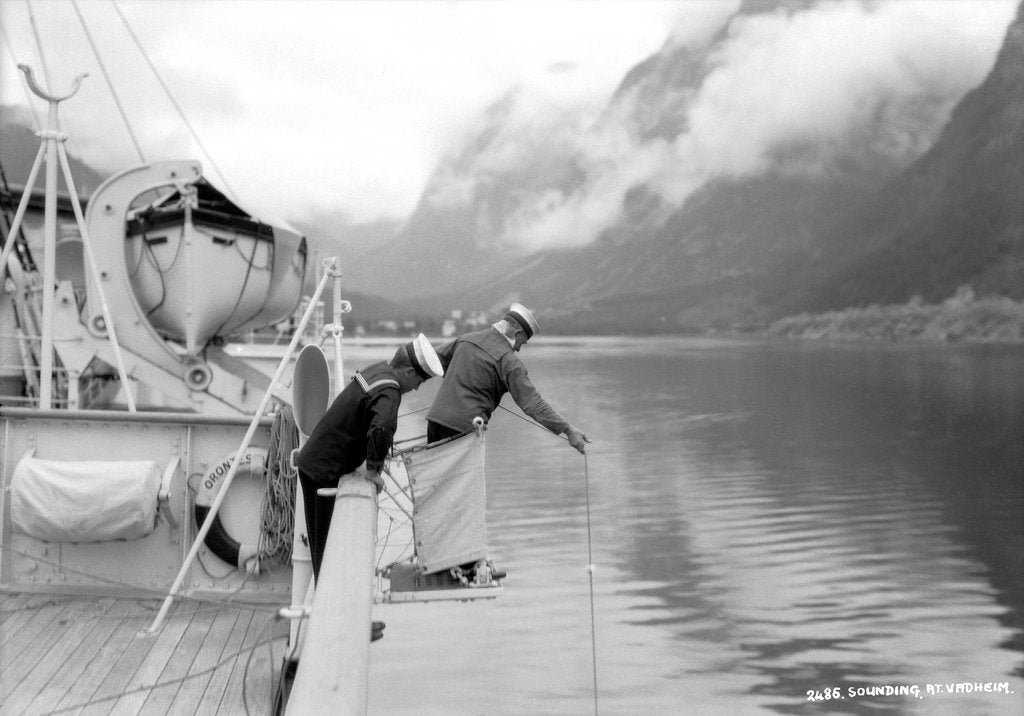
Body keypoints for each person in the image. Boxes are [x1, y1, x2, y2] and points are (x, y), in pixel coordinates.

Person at [296, 333, 444, 583]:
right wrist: (374, 470)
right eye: (419, 380)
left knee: (322, 543)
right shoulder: (390, 390)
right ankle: (330, 605)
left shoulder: (379, 371)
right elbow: (381, 427)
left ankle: (329, 595)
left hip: (315, 462)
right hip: (323, 471)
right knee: (325, 548)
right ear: (408, 372)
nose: (417, 387)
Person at [426, 302, 590, 453]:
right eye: (522, 342)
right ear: (516, 333)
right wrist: (568, 430)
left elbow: (430, 358)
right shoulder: (510, 362)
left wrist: (457, 375)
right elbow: (533, 404)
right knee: (460, 483)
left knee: (436, 481)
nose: (518, 349)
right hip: (464, 428)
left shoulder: (467, 339)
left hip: (435, 421)